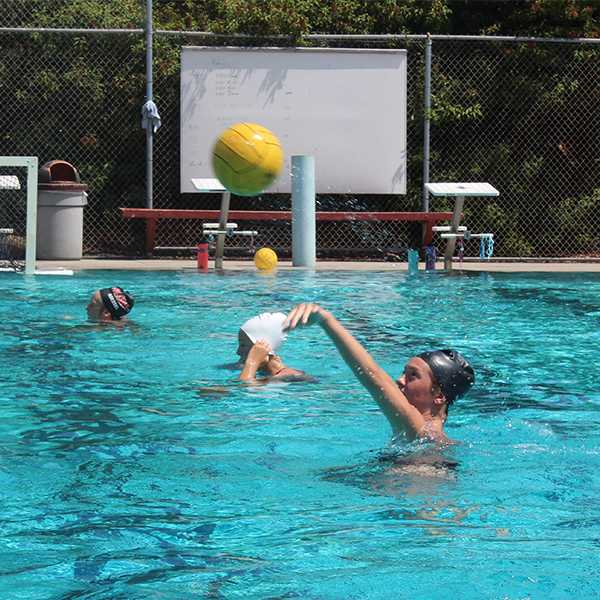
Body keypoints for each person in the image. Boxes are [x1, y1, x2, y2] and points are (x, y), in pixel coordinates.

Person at [283, 303, 474, 442]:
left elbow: (373, 375)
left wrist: (326, 320)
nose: (399, 381)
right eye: (403, 372)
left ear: (439, 395)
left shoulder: (419, 429)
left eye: (412, 376)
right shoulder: (438, 442)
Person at [237, 312, 313, 383]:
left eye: (243, 345)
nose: (238, 352)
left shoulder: (292, 377)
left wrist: (252, 362)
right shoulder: (265, 374)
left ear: (263, 349)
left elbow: (243, 390)